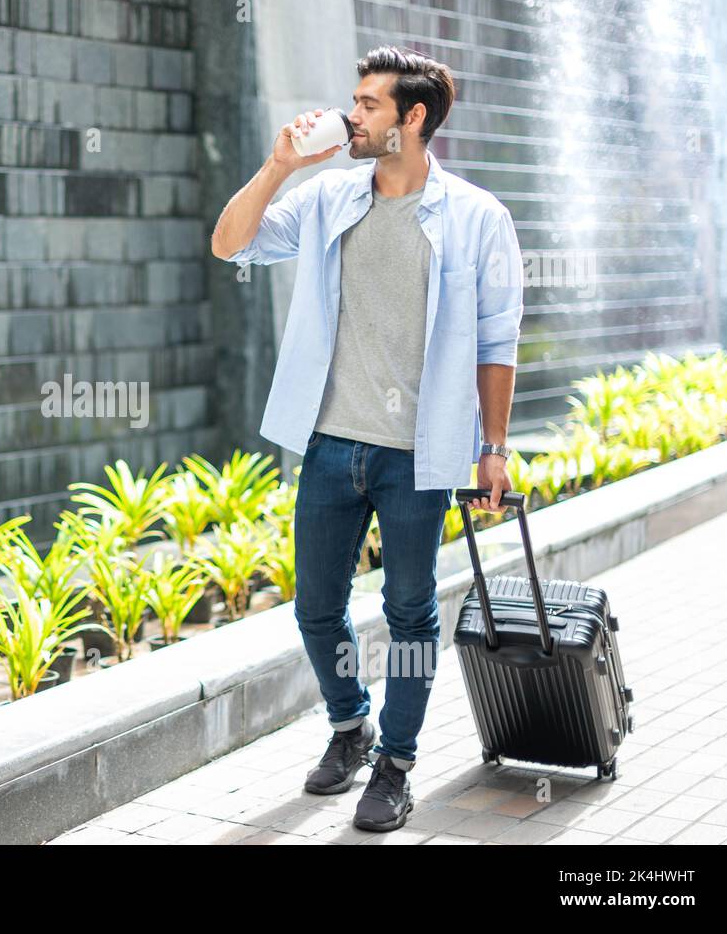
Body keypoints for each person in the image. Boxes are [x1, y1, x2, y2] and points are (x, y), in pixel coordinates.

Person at [210, 45, 524, 831]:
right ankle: (351, 726)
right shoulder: (328, 197)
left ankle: (397, 762)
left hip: (420, 454)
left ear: (412, 118)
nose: (351, 116)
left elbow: (497, 339)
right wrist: (279, 165)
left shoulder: (479, 217)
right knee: (316, 608)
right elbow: (230, 244)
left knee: (411, 614)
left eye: (368, 104)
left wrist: (494, 445)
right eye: (354, 100)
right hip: (329, 444)